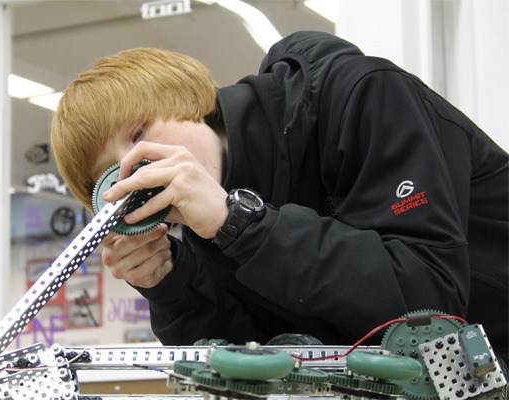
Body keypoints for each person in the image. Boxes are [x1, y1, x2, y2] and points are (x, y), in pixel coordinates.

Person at [50, 31, 508, 360]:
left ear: (191, 101)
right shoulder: (206, 217)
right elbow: (265, 358)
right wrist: (171, 285)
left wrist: (240, 224)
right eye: (114, 174)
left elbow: (431, 306)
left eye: (140, 133)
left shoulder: (359, 94)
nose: (142, 167)